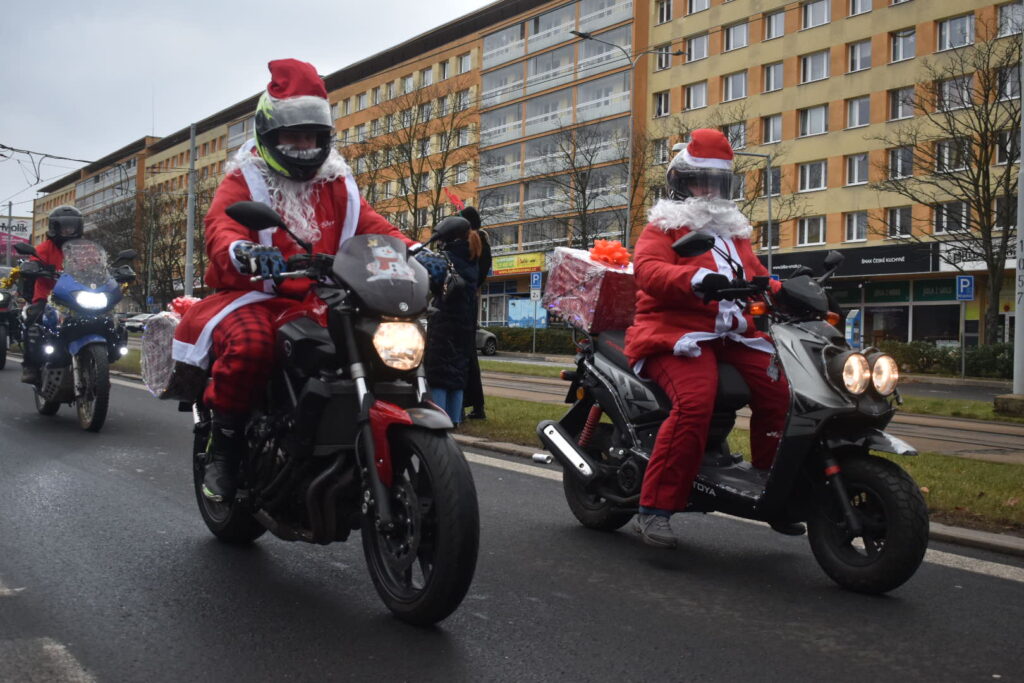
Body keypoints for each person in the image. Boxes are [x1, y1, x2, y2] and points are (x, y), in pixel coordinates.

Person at [172, 59, 417, 503]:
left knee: (382, 345)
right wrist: (244, 251)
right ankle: (223, 451)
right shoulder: (245, 179)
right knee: (251, 347)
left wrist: (418, 252)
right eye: (292, 136)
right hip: (254, 297)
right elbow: (220, 228)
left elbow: (374, 227)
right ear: (270, 136)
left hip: (324, 300)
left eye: (310, 136)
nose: (303, 145)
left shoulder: (337, 183)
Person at [624, 129, 796, 549]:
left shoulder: (733, 233)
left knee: (780, 392)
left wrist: (789, 290)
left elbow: (756, 276)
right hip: (675, 332)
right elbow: (646, 270)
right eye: (701, 180)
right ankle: (656, 508)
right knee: (695, 402)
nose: (710, 189)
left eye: (717, 182)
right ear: (681, 183)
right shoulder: (664, 227)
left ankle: (771, 489)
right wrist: (695, 277)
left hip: (733, 334)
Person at [424, 221, 481, 427]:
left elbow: (427, 275)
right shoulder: (472, 256)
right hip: (465, 322)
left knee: (438, 372)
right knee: (458, 371)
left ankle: (438, 417)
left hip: (444, 321)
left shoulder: (446, 257)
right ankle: (455, 418)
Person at [20, 205, 84, 384]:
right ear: (55, 227)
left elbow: (95, 264)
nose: (68, 230)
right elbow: (33, 261)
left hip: (76, 297)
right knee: (33, 318)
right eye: (65, 226)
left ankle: (99, 356)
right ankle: (30, 365)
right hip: (47, 296)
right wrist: (33, 267)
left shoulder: (83, 248)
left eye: (72, 226)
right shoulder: (44, 248)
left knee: (106, 317)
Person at [459, 206, 490, 420]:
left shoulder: (470, 243)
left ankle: (462, 403)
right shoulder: (482, 243)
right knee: (468, 355)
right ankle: (475, 405)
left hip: (464, 305)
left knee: (463, 356)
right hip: (470, 303)